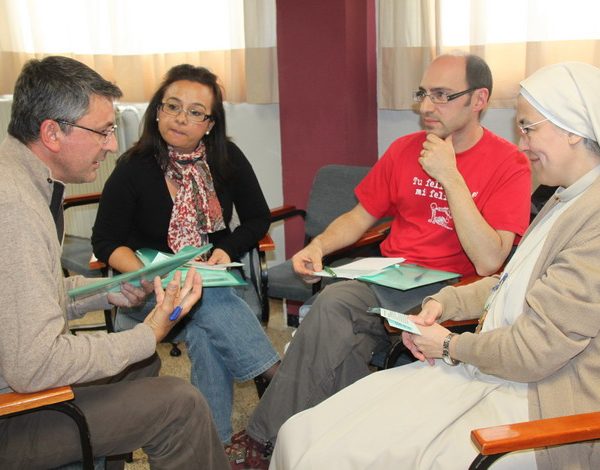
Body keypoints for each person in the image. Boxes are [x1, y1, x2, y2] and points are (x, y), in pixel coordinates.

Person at [271, 61, 600, 469]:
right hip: (464, 333)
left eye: (529, 128)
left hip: (535, 391)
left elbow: (497, 274)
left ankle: (277, 430)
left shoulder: (575, 209)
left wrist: (449, 345)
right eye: (423, 94)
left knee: (347, 438)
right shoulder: (565, 197)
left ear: (573, 129)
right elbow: (514, 280)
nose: (523, 143)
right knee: (311, 419)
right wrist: (447, 303)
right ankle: (280, 429)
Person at [230, 52, 533, 464]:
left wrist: (450, 176)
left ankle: (264, 441)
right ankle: (325, 446)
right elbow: (360, 216)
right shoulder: (404, 149)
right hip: (389, 278)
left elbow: (488, 261)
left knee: (339, 329)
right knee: (337, 315)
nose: (426, 107)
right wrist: (318, 246)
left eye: (442, 95)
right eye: (423, 94)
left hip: (450, 292)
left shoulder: (509, 163)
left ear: (478, 99)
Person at [0, 56, 229, 469]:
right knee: (180, 404)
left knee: (140, 365)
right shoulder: (15, 209)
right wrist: (149, 331)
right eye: (103, 131)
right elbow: (34, 366)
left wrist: (107, 292)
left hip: (17, 384)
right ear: (52, 132)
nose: (111, 144)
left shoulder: (21, 178)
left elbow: (26, 298)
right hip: (13, 415)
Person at [91, 64, 280, 446]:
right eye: (173, 106)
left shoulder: (226, 159)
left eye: (195, 112)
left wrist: (225, 248)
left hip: (215, 286)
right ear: (157, 111)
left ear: (210, 124)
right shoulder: (133, 168)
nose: (180, 118)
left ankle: (212, 446)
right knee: (206, 294)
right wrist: (146, 274)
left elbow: (258, 218)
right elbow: (106, 241)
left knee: (207, 321)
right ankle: (276, 376)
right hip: (150, 293)